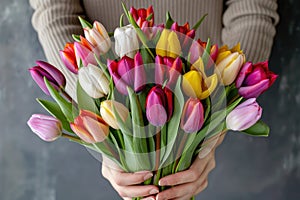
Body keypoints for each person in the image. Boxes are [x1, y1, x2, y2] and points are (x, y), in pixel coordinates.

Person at [29, 0, 279, 199]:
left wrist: (214, 119)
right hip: (113, 95)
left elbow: (253, 10)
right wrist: (99, 119)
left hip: (203, 87)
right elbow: (53, 12)